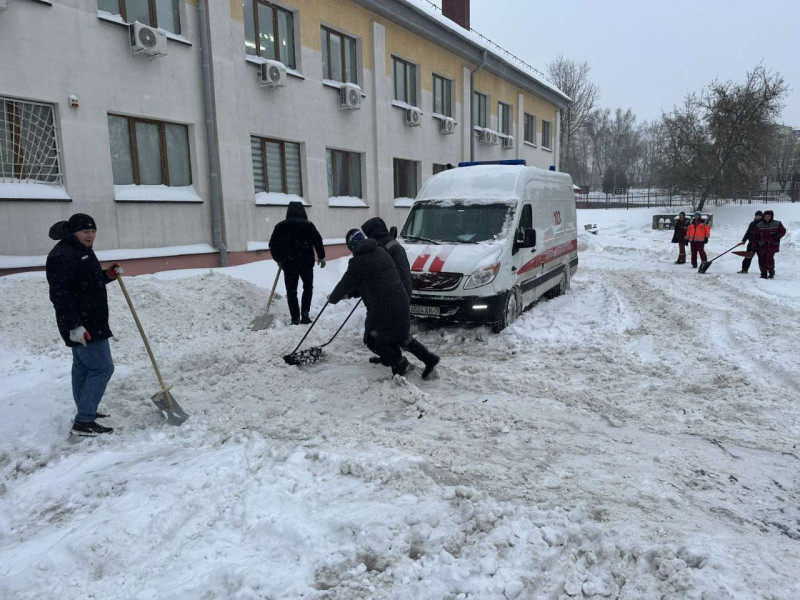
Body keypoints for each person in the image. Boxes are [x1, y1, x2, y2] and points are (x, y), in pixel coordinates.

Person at [46, 214, 122, 437]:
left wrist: (107, 275)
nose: (91, 235)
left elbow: (88, 281)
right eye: (86, 231)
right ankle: (84, 421)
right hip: (82, 324)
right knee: (102, 368)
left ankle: (85, 411)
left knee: (82, 367)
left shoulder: (81, 249)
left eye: (93, 230)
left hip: (92, 319)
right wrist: (75, 326)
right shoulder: (62, 255)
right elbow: (60, 296)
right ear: (73, 232)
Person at [362, 217, 440, 379]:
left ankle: (407, 361)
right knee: (394, 333)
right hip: (400, 293)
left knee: (388, 335)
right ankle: (396, 360)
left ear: (372, 233)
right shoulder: (391, 244)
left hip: (394, 296)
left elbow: (383, 274)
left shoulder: (383, 248)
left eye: (367, 234)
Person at [328, 229, 413, 376]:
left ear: (352, 246)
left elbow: (346, 282)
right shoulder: (380, 251)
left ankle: (399, 363)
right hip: (397, 300)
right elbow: (367, 280)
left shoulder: (358, 261)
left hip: (384, 305)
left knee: (373, 340)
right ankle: (395, 362)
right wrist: (349, 294)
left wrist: (333, 298)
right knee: (387, 337)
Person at [269, 201, 325, 324]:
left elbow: (272, 244)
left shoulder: (280, 226)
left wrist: (278, 259)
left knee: (291, 291)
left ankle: (295, 318)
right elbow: (318, 240)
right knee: (308, 288)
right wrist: (321, 257)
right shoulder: (308, 225)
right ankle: (305, 315)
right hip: (306, 263)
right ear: (303, 211)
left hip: (289, 264)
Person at [752, 210, 787, 279]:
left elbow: (783, 231)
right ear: (763, 217)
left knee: (769, 258)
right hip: (762, 245)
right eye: (765, 216)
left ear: (771, 217)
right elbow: (756, 236)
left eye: (768, 216)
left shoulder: (777, 223)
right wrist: (754, 246)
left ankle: (771, 271)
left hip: (772, 245)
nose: (767, 217)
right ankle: (763, 274)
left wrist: (776, 237)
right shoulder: (759, 225)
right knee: (761, 259)